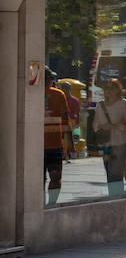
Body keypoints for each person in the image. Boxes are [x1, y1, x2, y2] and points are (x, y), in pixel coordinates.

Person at [91, 78, 126, 197]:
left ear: (117, 90)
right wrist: (102, 127)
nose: (109, 91)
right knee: (109, 172)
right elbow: (95, 124)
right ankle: (113, 197)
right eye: (107, 89)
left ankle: (116, 198)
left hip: (120, 143)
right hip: (105, 144)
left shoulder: (123, 103)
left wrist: (114, 126)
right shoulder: (100, 105)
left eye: (112, 88)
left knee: (115, 173)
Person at [42, 70, 72, 205]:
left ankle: (44, 205)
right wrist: (70, 143)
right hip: (53, 145)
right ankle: (50, 205)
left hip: (45, 145)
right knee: (55, 178)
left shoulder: (58, 95)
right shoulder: (59, 95)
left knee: (44, 179)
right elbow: (66, 121)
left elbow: (65, 120)